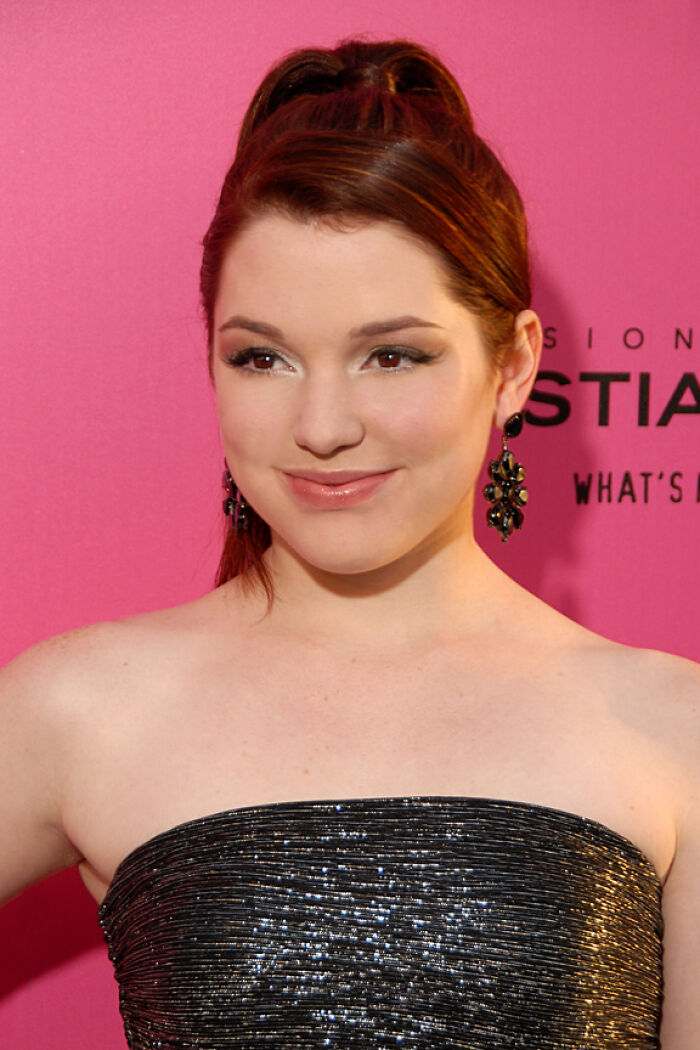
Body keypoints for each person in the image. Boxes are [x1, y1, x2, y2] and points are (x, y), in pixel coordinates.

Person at [1, 36, 698, 1050]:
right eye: (263, 358)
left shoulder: (674, 730)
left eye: (391, 355)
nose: (322, 426)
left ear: (513, 366)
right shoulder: (79, 708)